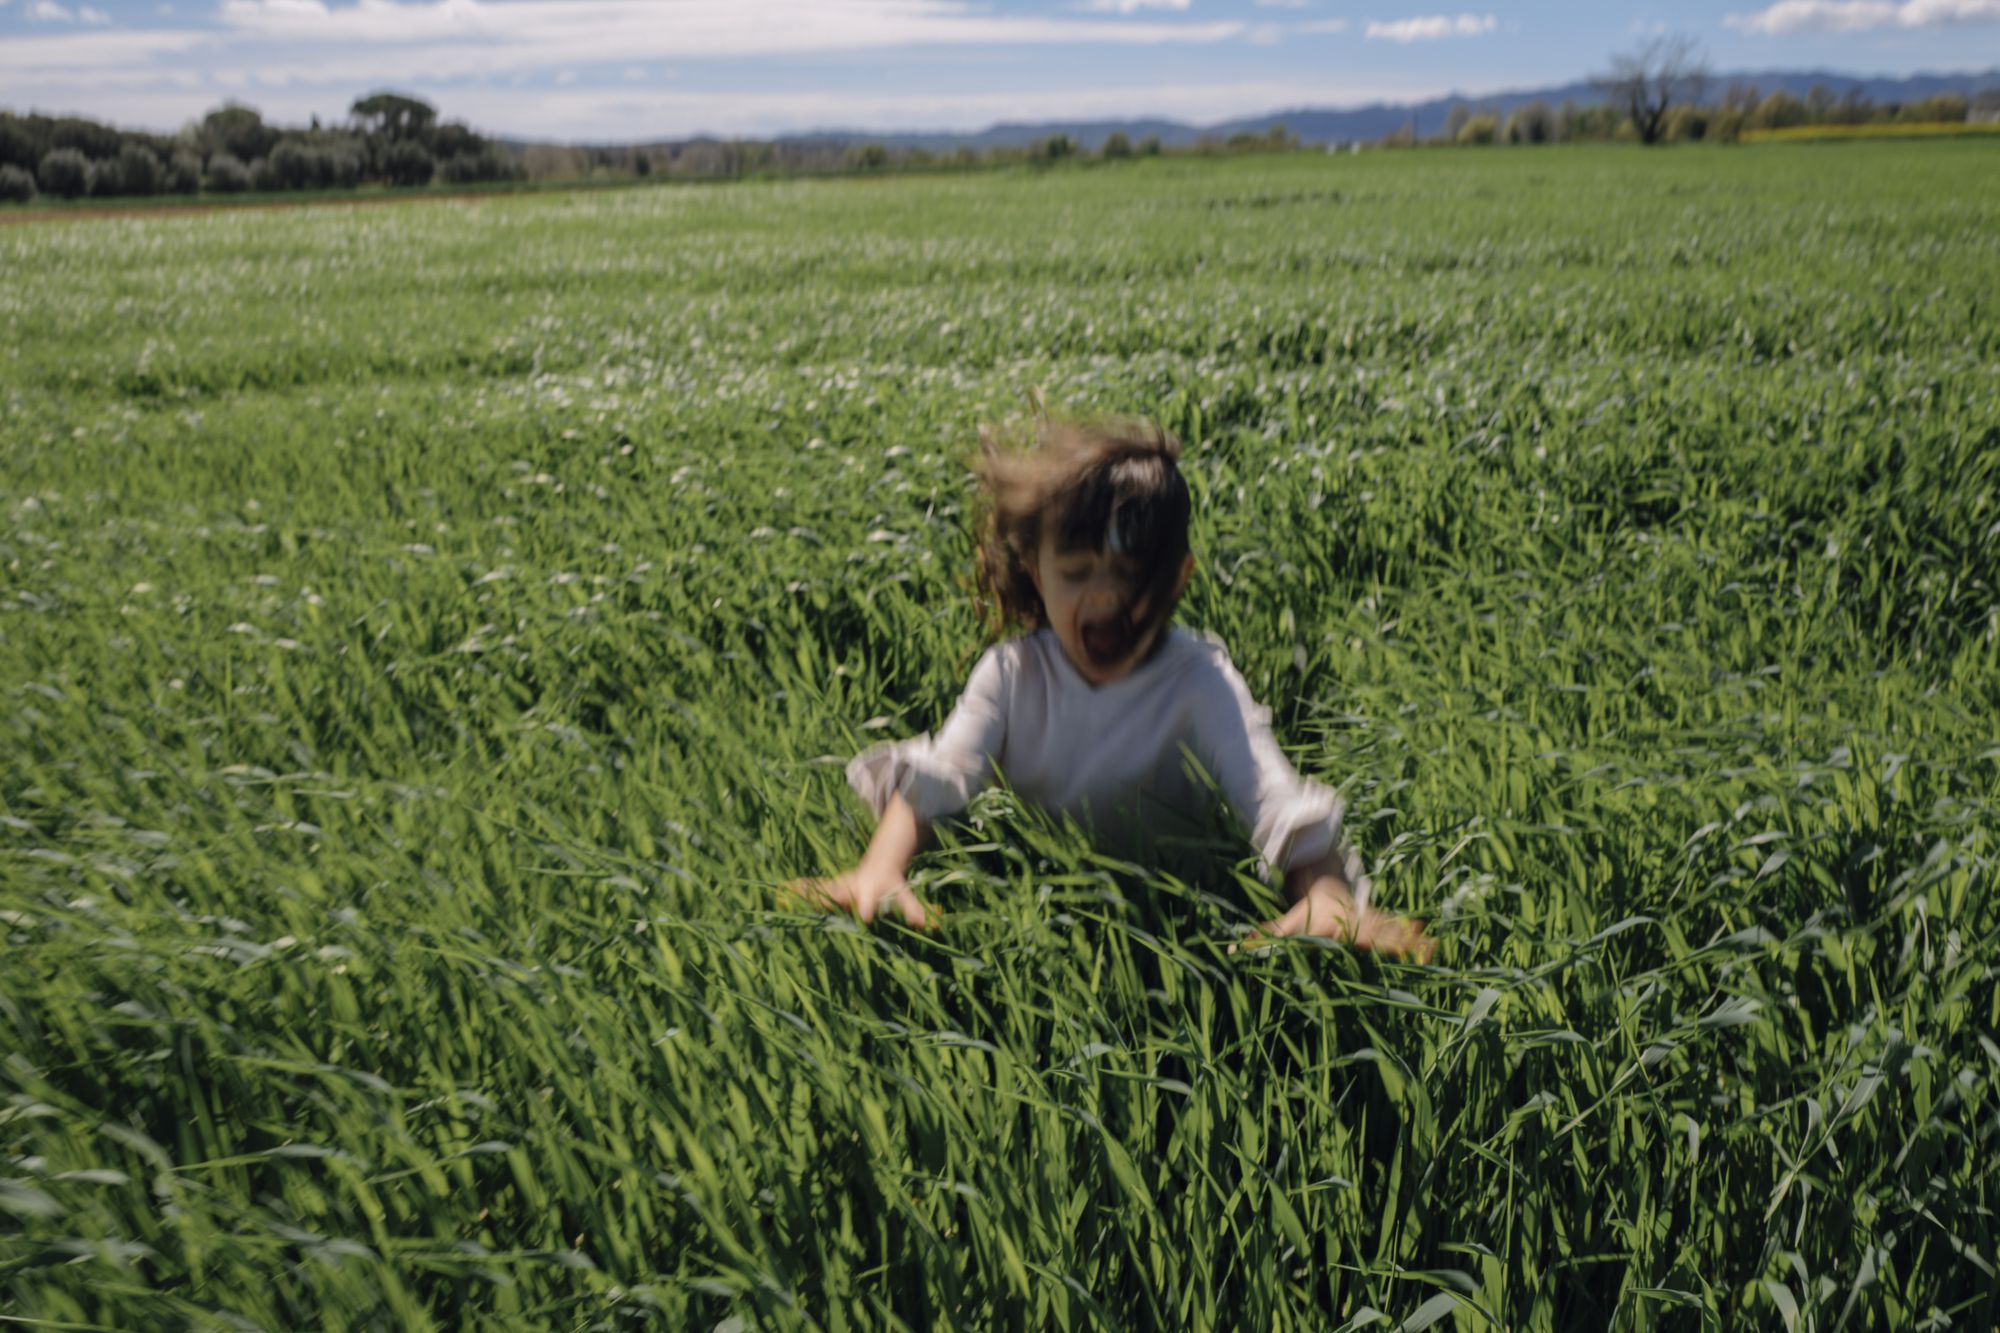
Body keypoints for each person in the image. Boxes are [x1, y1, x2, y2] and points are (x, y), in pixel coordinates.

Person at [790, 416, 1433, 961]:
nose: (1102, 597)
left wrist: (1326, 895)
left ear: (1178, 578)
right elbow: (942, 774)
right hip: (1050, 922)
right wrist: (881, 868)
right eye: (1074, 573)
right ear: (1037, 576)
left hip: (1181, 926)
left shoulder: (1197, 683)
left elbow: (1275, 800)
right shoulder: (1014, 678)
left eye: (1128, 577)